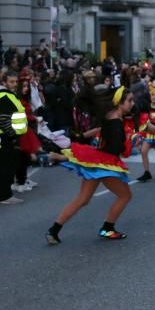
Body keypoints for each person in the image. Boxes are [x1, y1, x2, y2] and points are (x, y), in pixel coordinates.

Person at [45, 86, 135, 244]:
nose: (132, 103)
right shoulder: (116, 122)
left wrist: (81, 136)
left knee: (83, 199)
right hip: (105, 165)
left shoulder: (110, 115)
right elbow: (115, 149)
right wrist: (128, 142)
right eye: (129, 100)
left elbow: (100, 131)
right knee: (125, 195)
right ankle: (108, 228)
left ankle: (53, 230)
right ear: (119, 102)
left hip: (98, 162)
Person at [0, 71, 28, 205]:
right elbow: (5, 119)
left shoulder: (5, 95)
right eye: (11, 82)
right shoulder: (4, 96)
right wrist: (12, 135)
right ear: (4, 82)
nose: (14, 84)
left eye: (15, 82)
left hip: (6, 135)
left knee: (3, 165)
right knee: (7, 165)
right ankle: (5, 195)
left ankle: (0, 192)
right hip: (7, 136)